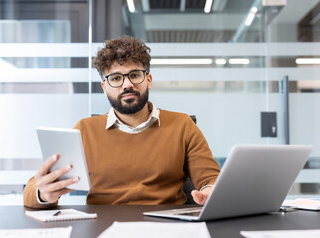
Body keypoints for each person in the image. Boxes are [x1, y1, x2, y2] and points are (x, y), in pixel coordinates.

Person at [23, 36, 220, 208]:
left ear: (148, 79)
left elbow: (210, 179)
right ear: (104, 87)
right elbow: (35, 189)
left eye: (134, 75)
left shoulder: (182, 125)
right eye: (116, 78)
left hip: (166, 225)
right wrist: (42, 193)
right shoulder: (84, 130)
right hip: (102, 228)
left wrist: (210, 192)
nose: (127, 85)